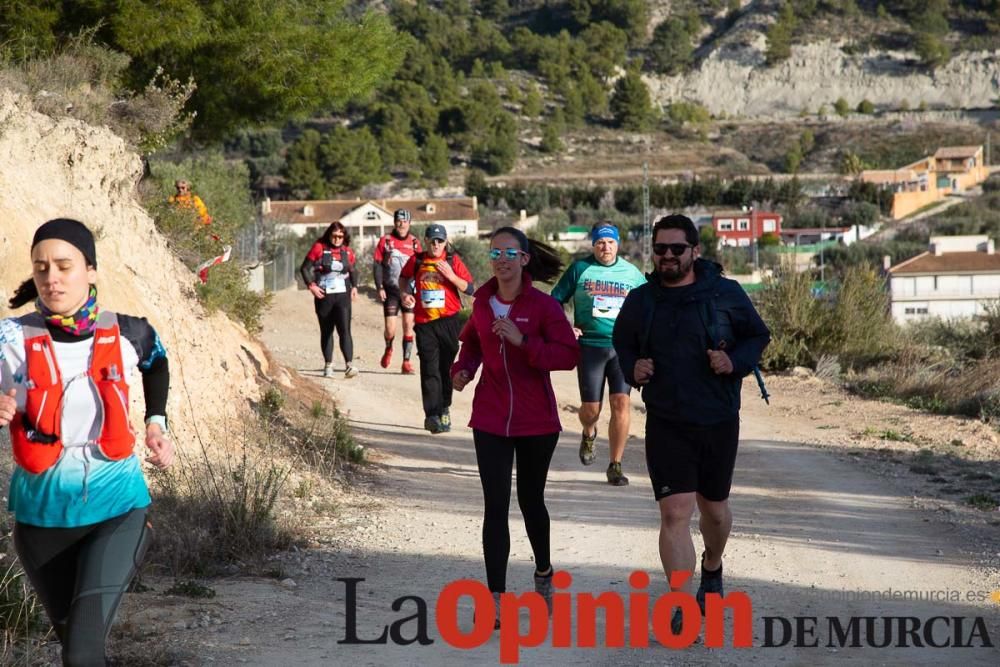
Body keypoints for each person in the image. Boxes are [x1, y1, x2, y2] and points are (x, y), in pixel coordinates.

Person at [0, 218, 175, 665]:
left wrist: (156, 422)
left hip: (116, 512)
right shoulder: (11, 340)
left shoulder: (129, 332)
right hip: (41, 523)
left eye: (64, 265)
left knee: (81, 651)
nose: (51, 277)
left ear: (91, 270)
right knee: (78, 649)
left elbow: (157, 362)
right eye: (41, 268)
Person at [612, 214, 770, 633]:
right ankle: (681, 603)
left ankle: (712, 565)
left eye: (676, 249)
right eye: (660, 249)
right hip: (667, 420)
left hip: (717, 419)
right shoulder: (642, 300)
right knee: (674, 513)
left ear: (694, 251)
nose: (666, 256)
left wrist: (734, 361)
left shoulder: (725, 294)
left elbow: (758, 336)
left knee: (713, 509)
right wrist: (633, 367)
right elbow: (622, 342)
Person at [450, 226, 579, 627]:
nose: (501, 260)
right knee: (495, 506)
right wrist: (463, 370)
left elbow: (568, 355)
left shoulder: (543, 308)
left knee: (530, 501)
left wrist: (525, 342)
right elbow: (470, 344)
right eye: (494, 254)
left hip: (536, 420)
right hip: (489, 418)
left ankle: (543, 571)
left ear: (524, 260)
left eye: (509, 253)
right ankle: (496, 599)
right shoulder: (484, 303)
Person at [550, 221, 645, 486]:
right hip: (590, 347)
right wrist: (565, 328)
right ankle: (588, 432)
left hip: (622, 348)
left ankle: (615, 464)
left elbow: (648, 304)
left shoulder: (632, 273)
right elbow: (554, 301)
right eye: (601, 242)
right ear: (594, 244)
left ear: (618, 244)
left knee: (621, 404)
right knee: (591, 409)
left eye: (611, 242)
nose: (606, 247)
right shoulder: (580, 269)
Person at [399, 224, 474, 434]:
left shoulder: (452, 261)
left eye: (440, 241)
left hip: (449, 321)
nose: (436, 244)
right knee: (429, 369)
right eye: (432, 240)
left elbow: (469, 288)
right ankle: (431, 415)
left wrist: (450, 276)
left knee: (446, 368)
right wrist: (405, 294)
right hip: (424, 323)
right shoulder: (417, 260)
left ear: (445, 242)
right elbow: (403, 279)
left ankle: (444, 407)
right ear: (426, 241)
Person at [300, 221, 359, 379]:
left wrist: (355, 287)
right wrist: (311, 285)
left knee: (345, 330)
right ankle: (328, 365)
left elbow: (353, 270)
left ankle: (349, 365)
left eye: (340, 236)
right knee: (327, 331)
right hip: (324, 296)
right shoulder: (319, 247)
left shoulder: (347, 251)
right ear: (329, 235)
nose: (337, 239)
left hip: (342, 297)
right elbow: (304, 268)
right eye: (334, 236)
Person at [373, 209, 421, 374]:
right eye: (399, 221)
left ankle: (406, 362)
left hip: (408, 291)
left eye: (405, 221)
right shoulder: (386, 240)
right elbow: (377, 265)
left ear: (409, 223)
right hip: (391, 290)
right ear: (395, 222)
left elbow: (421, 266)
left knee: (408, 325)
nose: (402, 224)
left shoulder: (415, 242)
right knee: (390, 329)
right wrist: (379, 287)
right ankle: (389, 348)